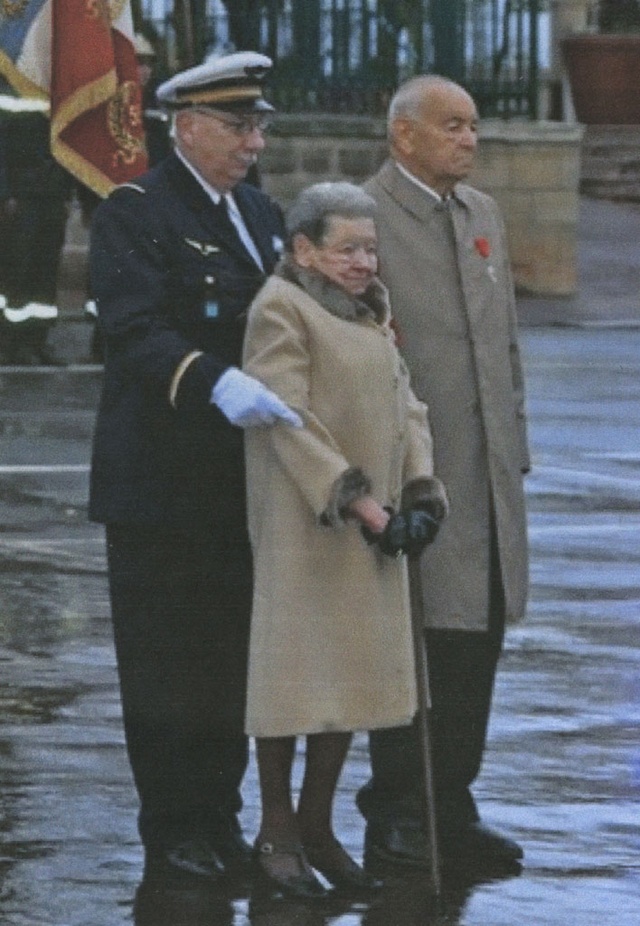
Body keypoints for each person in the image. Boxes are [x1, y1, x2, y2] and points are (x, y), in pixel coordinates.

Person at [88, 52, 301, 884]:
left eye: (259, 127)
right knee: (166, 665)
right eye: (238, 127)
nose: (254, 143)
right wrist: (217, 381)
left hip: (237, 482)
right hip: (160, 482)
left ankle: (219, 818)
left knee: (227, 662)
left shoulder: (260, 212)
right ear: (186, 126)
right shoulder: (136, 211)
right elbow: (133, 330)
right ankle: (174, 828)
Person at [242, 181, 449, 898]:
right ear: (303, 250)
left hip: (374, 530)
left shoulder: (368, 310)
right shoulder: (281, 307)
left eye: (370, 248)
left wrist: (421, 495)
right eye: (347, 249)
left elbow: (407, 406)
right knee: (292, 682)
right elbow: (285, 417)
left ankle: (318, 826)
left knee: (348, 681)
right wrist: (360, 504)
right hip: (308, 525)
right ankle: (276, 829)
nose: (364, 262)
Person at [356, 75, 530, 873]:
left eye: (473, 126)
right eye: (452, 126)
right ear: (404, 135)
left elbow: (506, 346)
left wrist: (514, 450)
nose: (469, 140)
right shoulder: (364, 217)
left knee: (475, 641)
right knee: (416, 646)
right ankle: (399, 809)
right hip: (415, 473)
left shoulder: (480, 213)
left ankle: (451, 804)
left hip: (484, 475)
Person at [0, 94, 71, 365]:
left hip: (51, 194)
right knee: (18, 269)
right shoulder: (8, 89)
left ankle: (37, 340)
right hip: (21, 194)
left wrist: (65, 194)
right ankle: (12, 342)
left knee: (45, 269)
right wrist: (6, 193)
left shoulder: (55, 90)